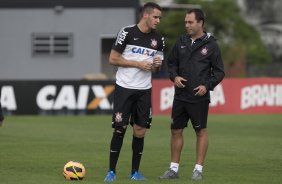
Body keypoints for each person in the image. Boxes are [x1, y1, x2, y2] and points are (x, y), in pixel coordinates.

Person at [159, 8, 225, 181]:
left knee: (200, 131)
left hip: (199, 97)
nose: (186, 25)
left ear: (200, 23)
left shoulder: (211, 45)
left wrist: (207, 86)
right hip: (180, 96)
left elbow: (219, 72)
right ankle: (173, 169)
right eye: (185, 22)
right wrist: (175, 76)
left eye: (190, 22)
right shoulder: (181, 41)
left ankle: (198, 170)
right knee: (175, 131)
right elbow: (171, 63)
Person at [104, 2, 164, 182]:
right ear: (145, 15)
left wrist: (156, 65)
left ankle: (134, 172)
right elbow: (112, 59)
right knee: (120, 129)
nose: (158, 21)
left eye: (160, 17)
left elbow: (157, 68)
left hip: (144, 90)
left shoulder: (158, 39)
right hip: (124, 88)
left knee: (140, 130)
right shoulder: (127, 32)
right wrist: (138, 63)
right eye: (156, 17)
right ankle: (111, 171)